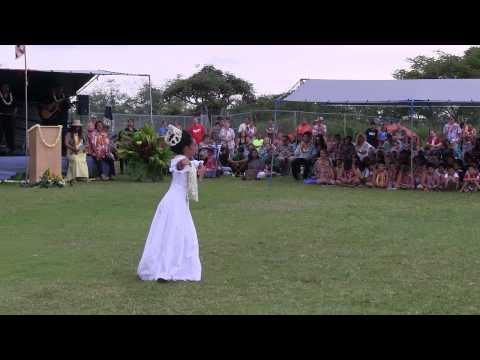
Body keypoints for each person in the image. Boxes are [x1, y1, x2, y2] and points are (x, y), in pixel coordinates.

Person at [137, 125, 206, 282]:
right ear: (186, 148)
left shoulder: (187, 160)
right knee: (173, 234)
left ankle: (170, 266)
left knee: (176, 234)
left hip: (179, 201)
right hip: (174, 202)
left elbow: (191, 176)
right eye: (194, 145)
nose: (196, 147)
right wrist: (195, 170)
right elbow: (183, 166)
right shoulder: (180, 160)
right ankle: (166, 268)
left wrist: (198, 170)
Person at [0, 84, 16, 154]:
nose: (6, 88)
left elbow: (15, 105)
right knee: (0, 132)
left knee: (10, 132)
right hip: (1, 116)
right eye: (4, 87)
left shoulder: (11, 95)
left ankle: (11, 148)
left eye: (7, 87)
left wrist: (15, 111)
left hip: (10, 116)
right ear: (1, 88)